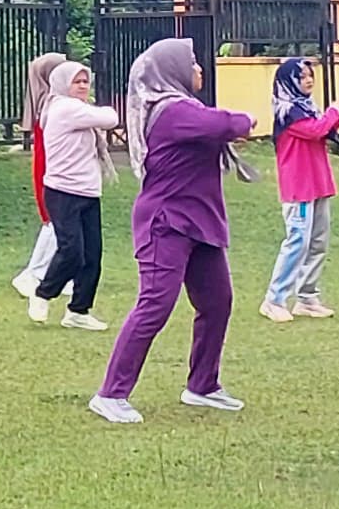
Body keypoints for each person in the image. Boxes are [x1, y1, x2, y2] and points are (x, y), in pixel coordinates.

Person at [91, 36, 248, 425]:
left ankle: (203, 385)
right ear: (172, 69)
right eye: (192, 62)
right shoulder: (172, 110)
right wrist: (245, 121)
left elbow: (218, 128)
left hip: (200, 220)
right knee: (156, 303)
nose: (199, 69)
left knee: (217, 301)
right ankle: (111, 394)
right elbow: (227, 123)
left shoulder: (185, 107)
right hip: (167, 222)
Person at [28, 57, 120, 329]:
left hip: (88, 191)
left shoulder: (79, 109)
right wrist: (100, 109)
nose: (82, 86)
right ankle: (43, 292)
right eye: (76, 81)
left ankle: (79, 310)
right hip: (62, 191)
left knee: (92, 255)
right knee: (72, 251)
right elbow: (111, 118)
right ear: (61, 84)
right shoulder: (64, 108)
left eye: (85, 81)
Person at [259, 56, 339, 318]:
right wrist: (334, 111)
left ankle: (307, 297)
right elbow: (316, 129)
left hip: (318, 181)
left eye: (311, 76)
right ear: (290, 81)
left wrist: (336, 115)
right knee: (297, 241)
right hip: (298, 185)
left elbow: (324, 130)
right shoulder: (288, 111)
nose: (308, 81)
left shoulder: (307, 106)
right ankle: (274, 299)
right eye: (303, 77)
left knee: (318, 241)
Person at [8, 50, 67, 302]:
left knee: (57, 226)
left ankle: (51, 274)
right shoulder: (48, 106)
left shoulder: (48, 103)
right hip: (51, 173)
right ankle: (34, 273)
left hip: (52, 171)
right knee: (55, 225)